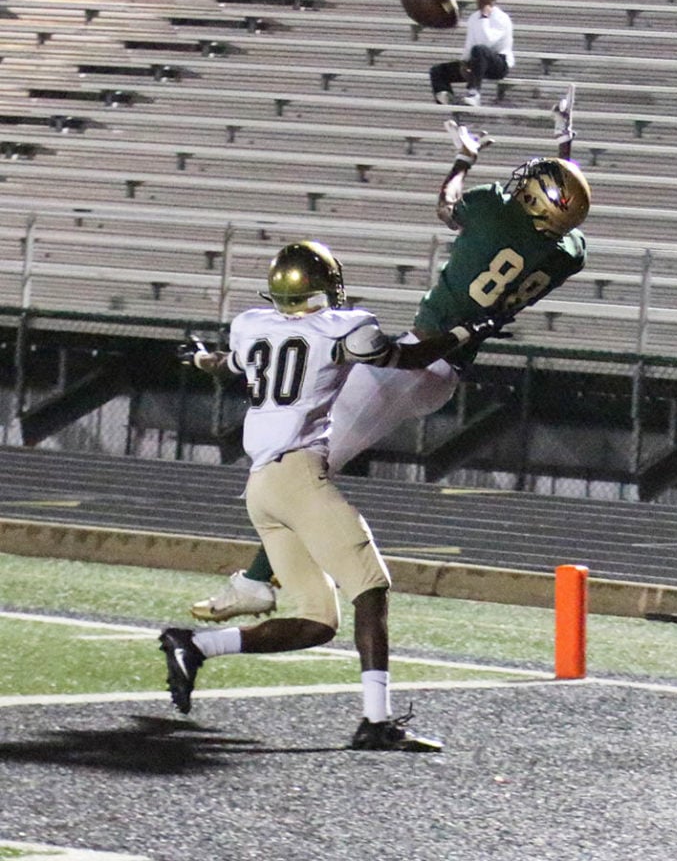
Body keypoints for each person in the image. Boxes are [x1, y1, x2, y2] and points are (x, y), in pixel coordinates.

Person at [190, 84, 589, 621]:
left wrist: (461, 160)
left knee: (300, 467)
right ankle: (263, 577)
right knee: (305, 470)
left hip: (417, 361)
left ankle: (258, 583)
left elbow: (448, 207)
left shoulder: (495, 214)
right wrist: (566, 144)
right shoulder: (568, 254)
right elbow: (563, 211)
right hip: (445, 374)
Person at [159, 241, 504, 751]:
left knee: (320, 620)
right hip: (298, 479)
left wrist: (201, 359)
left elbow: (230, 364)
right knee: (372, 587)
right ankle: (376, 722)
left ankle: (194, 646)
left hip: (261, 487)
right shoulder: (343, 328)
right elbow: (407, 358)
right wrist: (464, 332)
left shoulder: (255, 326)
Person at [429, 0, 514, 108]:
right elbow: (470, 43)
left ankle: (474, 93)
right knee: (437, 71)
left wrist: (485, 17)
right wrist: (464, 62)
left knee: (479, 50)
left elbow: (486, 42)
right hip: (477, 61)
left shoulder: (501, 18)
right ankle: (446, 97)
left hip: (498, 64)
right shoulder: (474, 17)